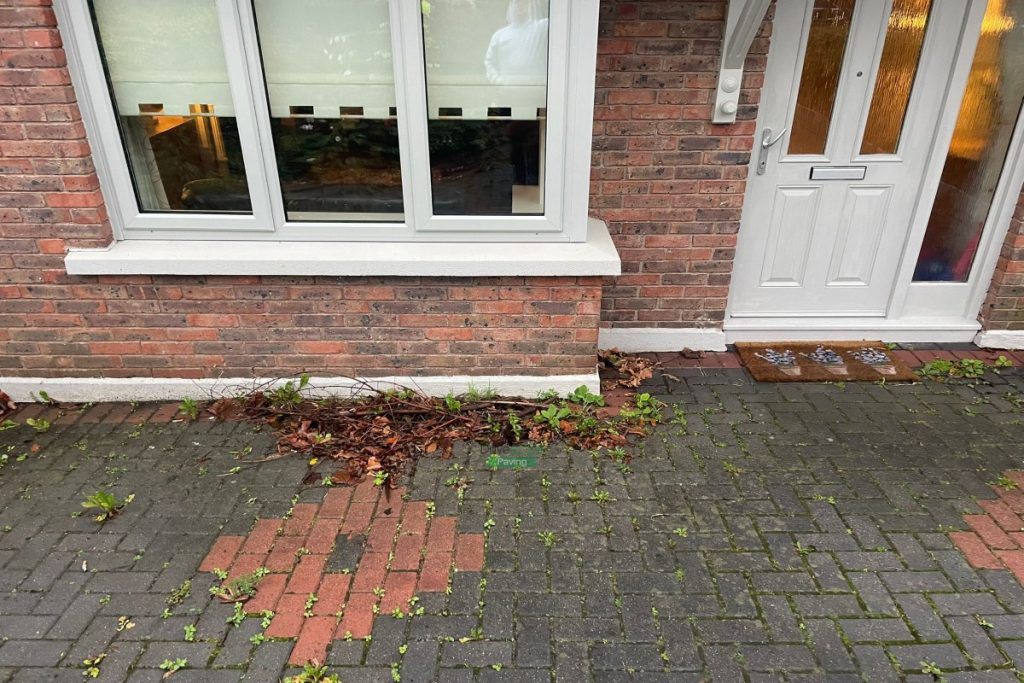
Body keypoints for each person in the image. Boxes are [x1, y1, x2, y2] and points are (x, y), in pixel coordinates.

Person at [484, 0, 548, 85]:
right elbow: (490, 62)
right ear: (511, 5)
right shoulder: (499, 35)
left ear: (532, 5)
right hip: (507, 92)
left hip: (536, 91)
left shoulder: (541, 28)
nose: (520, 5)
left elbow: (559, 13)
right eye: (517, 2)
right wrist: (497, 81)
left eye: (525, 2)